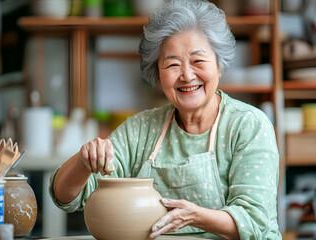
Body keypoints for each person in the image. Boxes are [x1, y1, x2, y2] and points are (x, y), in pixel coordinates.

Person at [49, 0, 281, 239]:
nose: (187, 75)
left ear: (219, 66)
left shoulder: (249, 125)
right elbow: (65, 198)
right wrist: (83, 162)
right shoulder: (140, 130)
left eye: (198, 61)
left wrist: (194, 216)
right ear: (158, 75)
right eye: (172, 64)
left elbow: (254, 222)